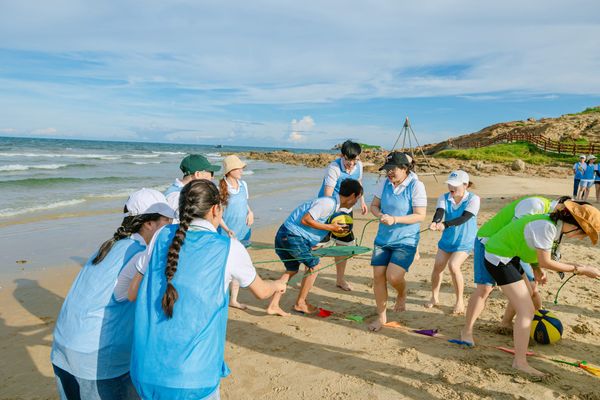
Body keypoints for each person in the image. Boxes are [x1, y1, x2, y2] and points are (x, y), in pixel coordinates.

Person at [130, 179, 286, 399]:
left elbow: (134, 290)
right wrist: (278, 284)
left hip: (146, 372)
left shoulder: (161, 234)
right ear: (215, 209)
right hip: (194, 378)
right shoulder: (229, 247)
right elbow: (261, 292)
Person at [51, 189, 175, 400]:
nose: (171, 226)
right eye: (167, 221)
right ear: (149, 223)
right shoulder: (141, 257)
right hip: (97, 359)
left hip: (62, 349)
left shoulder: (107, 247)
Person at [462, 200, 600, 376]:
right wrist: (580, 269)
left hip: (511, 255)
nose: (581, 238)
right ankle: (519, 362)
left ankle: (518, 350)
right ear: (575, 226)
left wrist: (537, 268)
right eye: (584, 234)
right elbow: (546, 261)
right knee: (526, 311)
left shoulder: (554, 226)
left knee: (529, 296)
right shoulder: (547, 227)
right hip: (499, 257)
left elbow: (530, 248)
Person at [462, 195, 566, 341]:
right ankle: (466, 331)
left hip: (512, 249)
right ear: (561, 204)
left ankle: (507, 323)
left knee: (530, 287)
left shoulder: (556, 222)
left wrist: (536, 267)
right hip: (489, 241)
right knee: (485, 288)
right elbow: (515, 233)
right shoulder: (535, 205)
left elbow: (526, 243)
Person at [267, 179, 363, 317]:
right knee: (314, 267)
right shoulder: (328, 203)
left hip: (288, 235)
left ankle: (273, 305)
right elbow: (305, 220)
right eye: (358, 198)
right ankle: (300, 303)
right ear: (353, 195)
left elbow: (314, 224)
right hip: (292, 236)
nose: (356, 202)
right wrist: (331, 227)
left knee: (292, 270)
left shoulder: (334, 206)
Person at [368, 152, 427, 332]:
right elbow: (374, 206)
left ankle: (402, 293)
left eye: (392, 169)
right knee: (378, 276)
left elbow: (420, 215)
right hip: (383, 239)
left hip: (405, 240)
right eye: (386, 169)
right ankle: (381, 318)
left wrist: (395, 219)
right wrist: (380, 215)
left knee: (393, 277)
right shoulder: (384, 183)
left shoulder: (416, 185)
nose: (389, 173)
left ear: (404, 168)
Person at [317, 140, 368, 291]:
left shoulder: (359, 166)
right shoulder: (334, 168)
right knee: (317, 246)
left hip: (346, 209)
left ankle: (340, 279)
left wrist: (362, 202)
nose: (351, 164)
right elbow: (327, 194)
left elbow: (358, 183)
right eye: (348, 160)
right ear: (342, 155)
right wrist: (331, 218)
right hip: (327, 209)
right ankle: (309, 275)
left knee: (344, 246)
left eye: (355, 160)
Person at [426, 170, 480, 314]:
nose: (451, 187)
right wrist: (435, 222)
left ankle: (459, 301)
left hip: (465, 240)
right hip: (448, 239)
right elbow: (439, 212)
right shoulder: (444, 197)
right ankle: (434, 297)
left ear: (465, 185)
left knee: (453, 266)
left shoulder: (474, 199)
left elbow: (464, 218)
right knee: (438, 266)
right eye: (450, 184)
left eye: (455, 185)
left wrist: (445, 224)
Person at [217, 155, 254, 310]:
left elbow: (245, 203)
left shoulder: (243, 184)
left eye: (241, 168)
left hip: (243, 230)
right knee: (223, 267)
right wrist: (227, 229)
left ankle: (234, 300)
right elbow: (217, 214)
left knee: (238, 265)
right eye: (238, 169)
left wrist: (250, 212)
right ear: (230, 170)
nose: (241, 171)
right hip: (226, 233)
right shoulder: (220, 188)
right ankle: (219, 298)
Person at [164, 154, 221, 220]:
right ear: (197, 174)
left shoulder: (186, 192)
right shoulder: (176, 196)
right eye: (211, 173)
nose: (212, 177)